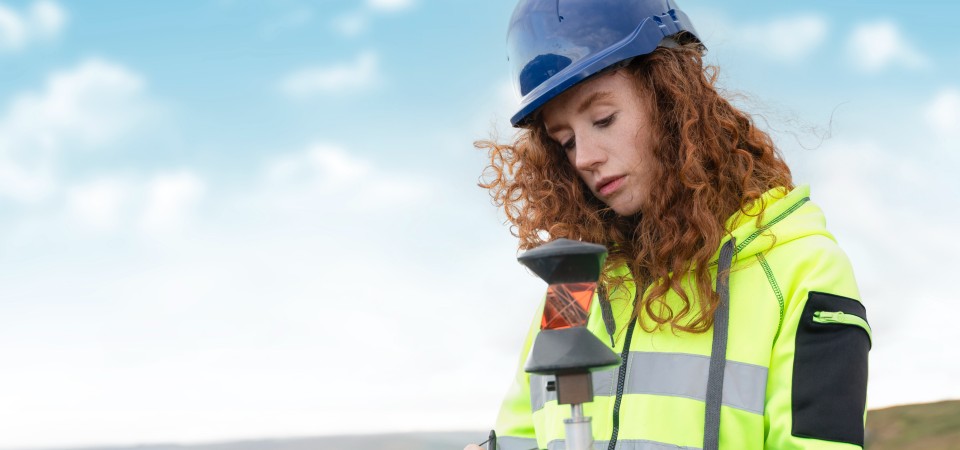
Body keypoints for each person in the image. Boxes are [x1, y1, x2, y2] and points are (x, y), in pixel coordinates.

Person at [465, 0, 871, 449]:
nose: (584, 157)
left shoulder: (805, 269)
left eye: (603, 120)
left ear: (672, 99)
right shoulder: (572, 289)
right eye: (566, 141)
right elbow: (519, 436)